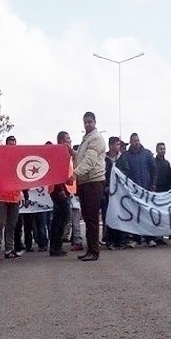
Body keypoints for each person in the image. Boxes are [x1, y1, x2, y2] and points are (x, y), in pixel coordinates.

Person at [70, 112, 106, 262]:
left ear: (95, 122)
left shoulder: (96, 138)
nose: (87, 124)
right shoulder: (87, 139)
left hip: (94, 181)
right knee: (87, 217)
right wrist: (72, 152)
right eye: (85, 122)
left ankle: (93, 251)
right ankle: (90, 249)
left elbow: (90, 161)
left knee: (91, 218)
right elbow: (82, 156)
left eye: (90, 122)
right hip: (86, 182)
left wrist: (75, 174)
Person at [119, 132, 159, 246]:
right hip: (133, 191)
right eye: (134, 141)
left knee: (147, 214)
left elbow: (154, 170)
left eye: (137, 140)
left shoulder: (147, 154)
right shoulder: (126, 156)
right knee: (135, 214)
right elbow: (121, 171)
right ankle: (136, 239)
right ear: (130, 142)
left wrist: (153, 184)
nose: (136, 143)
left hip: (146, 189)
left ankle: (150, 238)